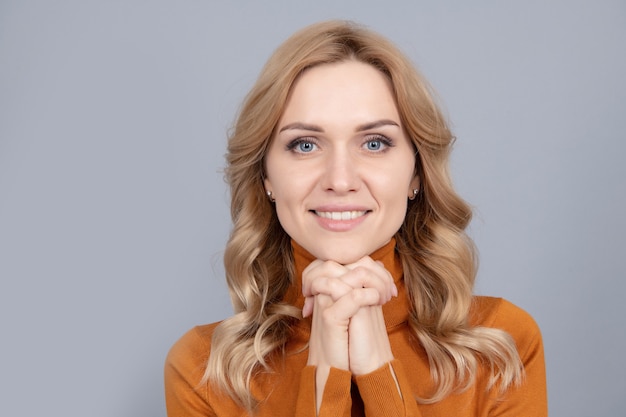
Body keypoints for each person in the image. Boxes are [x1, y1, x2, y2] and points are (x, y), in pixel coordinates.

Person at [164, 20, 547, 416]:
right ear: (266, 177)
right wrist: (326, 371)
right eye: (305, 144)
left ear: (416, 172)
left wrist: (378, 368)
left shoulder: (501, 345)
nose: (340, 180)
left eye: (375, 143)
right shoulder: (203, 372)